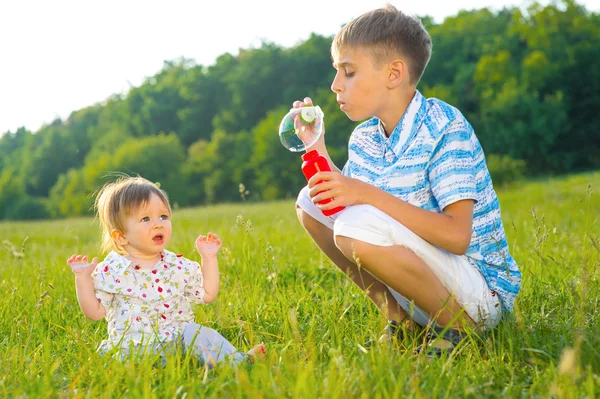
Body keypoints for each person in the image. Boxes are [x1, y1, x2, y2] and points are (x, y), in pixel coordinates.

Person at [294, 4, 521, 356]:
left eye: (348, 72)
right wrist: (316, 144)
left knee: (356, 222)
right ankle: (403, 323)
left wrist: (366, 194)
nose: (335, 85)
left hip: (477, 292)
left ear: (394, 73)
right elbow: (340, 202)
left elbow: (457, 236)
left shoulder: (444, 126)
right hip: (422, 284)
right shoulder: (365, 138)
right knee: (310, 202)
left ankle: (461, 331)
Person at [67, 176, 266, 365]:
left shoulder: (177, 266)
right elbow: (94, 312)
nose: (158, 224)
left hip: (178, 342)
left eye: (163, 216)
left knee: (200, 334)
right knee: (124, 359)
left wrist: (209, 258)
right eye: (145, 219)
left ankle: (237, 361)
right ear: (120, 237)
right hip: (134, 348)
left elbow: (207, 294)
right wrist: (83, 278)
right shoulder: (111, 271)